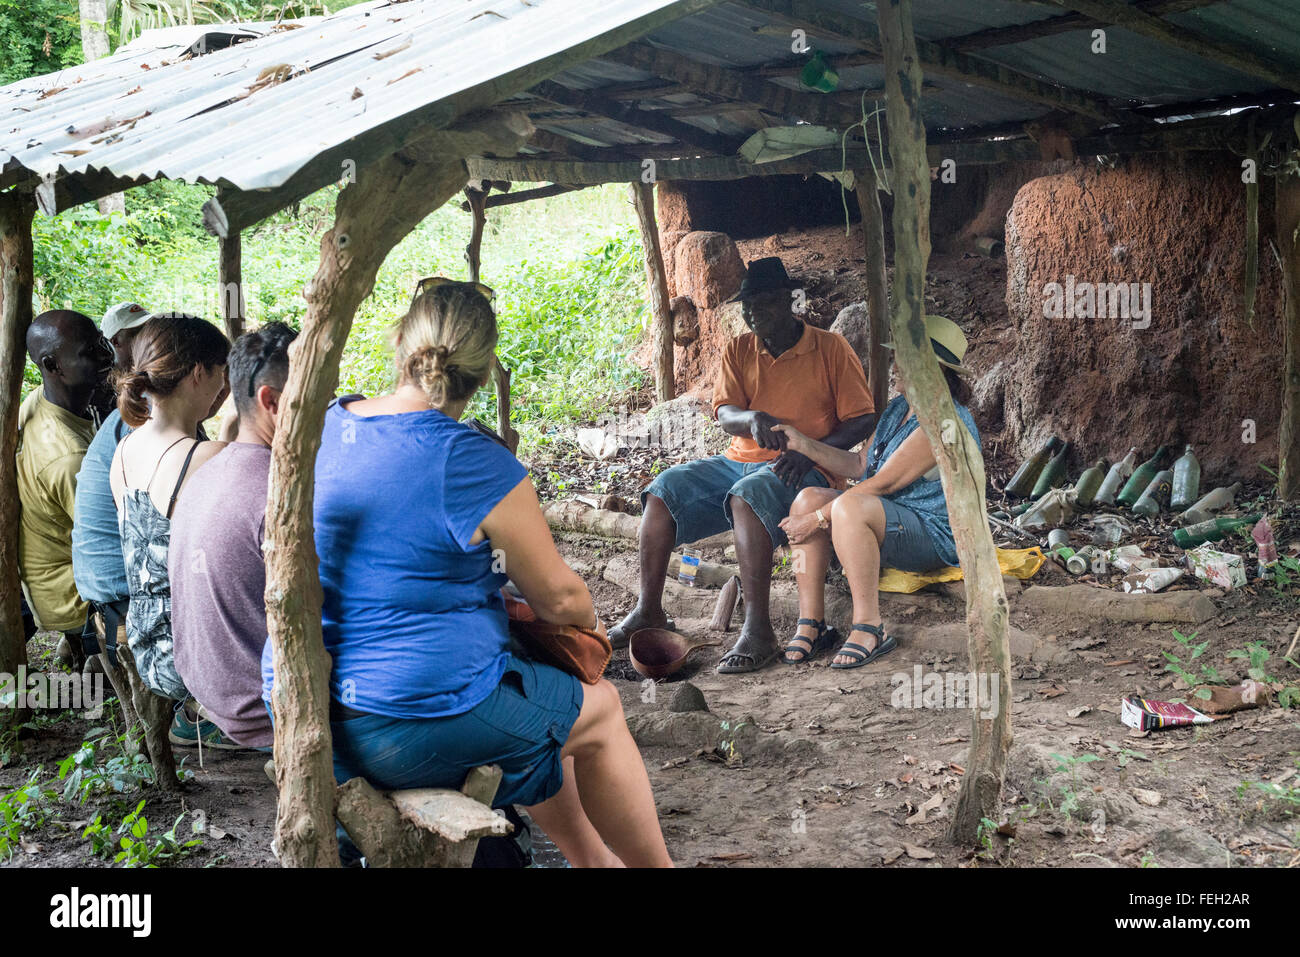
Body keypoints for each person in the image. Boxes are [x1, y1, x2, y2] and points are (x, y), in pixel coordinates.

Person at [262, 279, 670, 867]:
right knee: (597, 709)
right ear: (481, 376)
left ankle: (596, 863)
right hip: (401, 724)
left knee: (535, 704)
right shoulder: (472, 461)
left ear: (400, 342)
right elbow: (557, 595)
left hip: (303, 704)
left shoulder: (326, 424)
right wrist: (587, 626)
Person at [609, 257, 877, 673]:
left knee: (746, 497)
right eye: (746, 305)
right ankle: (649, 610)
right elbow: (723, 412)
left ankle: (759, 630)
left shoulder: (829, 348)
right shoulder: (740, 348)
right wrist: (751, 419)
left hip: (803, 467)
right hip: (737, 461)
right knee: (663, 490)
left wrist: (807, 449)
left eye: (763, 303)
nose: (752, 313)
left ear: (789, 301)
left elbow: (862, 418)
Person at [776, 315, 980, 669]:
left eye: (903, 356)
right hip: (891, 519)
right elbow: (859, 466)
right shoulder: (900, 408)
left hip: (936, 534)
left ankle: (870, 627)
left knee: (846, 508)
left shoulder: (945, 420)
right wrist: (804, 444)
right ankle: (811, 622)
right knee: (805, 499)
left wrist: (819, 519)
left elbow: (885, 483)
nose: (894, 364)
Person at [170, 323, 297, 750]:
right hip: (263, 714)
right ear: (272, 402)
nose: (330, 410)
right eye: (319, 397)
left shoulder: (208, 471)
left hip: (211, 694)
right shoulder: (279, 498)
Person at [109, 313, 229, 706]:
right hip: (195, 659)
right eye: (220, 373)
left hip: (148, 650)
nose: (223, 387)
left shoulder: (123, 450)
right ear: (199, 373)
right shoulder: (207, 456)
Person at [17, 310, 113, 667]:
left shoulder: (38, 402)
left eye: (103, 343)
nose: (106, 356)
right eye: (91, 352)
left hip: (55, 573)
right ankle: (98, 647)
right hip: (68, 596)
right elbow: (111, 542)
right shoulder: (68, 457)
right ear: (53, 365)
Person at [72, 303, 155, 668]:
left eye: (150, 332)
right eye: (137, 335)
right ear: (117, 343)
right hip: (119, 590)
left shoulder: (133, 399)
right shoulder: (133, 409)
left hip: (108, 584)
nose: (148, 342)